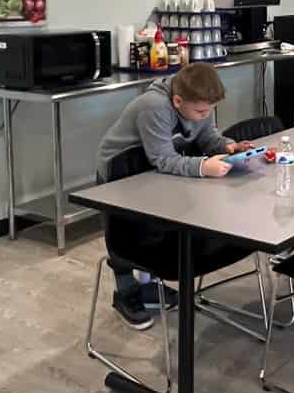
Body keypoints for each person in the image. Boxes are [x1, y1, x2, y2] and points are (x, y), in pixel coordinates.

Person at [95, 62, 253, 329]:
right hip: (120, 171)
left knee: (156, 227)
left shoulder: (197, 102)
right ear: (178, 101)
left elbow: (207, 137)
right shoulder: (153, 107)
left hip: (148, 168)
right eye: (201, 111)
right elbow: (164, 159)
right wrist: (203, 167)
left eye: (210, 110)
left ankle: (149, 286)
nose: (206, 115)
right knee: (127, 232)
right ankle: (125, 292)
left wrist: (228, 146)